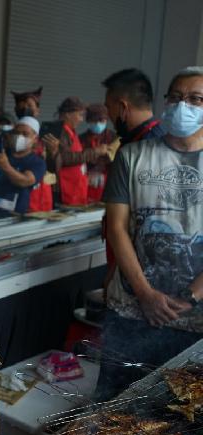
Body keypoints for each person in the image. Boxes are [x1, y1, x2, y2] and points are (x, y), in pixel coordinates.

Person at [97, 66, 203, 400]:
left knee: (176, 421)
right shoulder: (132, 156)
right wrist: (145, 293)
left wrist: (190, 297)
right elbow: (116, 228)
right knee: (110, 406)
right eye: (176, 96)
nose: (182, 105)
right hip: (129, 310)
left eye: (195, 98)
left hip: (192, 321)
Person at [101, 68, 165, 292]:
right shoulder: (141, 141)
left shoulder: (145, 150)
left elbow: (144, 221)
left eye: (109, 108)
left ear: (123, 107)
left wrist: (116, 272)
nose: (109, 117)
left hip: (139, 274)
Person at [43, 96, 109, 206]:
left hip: (75, 189)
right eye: (79, 115)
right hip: (64, 191)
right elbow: (65, 158)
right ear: (68, 114)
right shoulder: (59, 132)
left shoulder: (71, 131)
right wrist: (95, 152)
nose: (81, 119)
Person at [11, 87, 53, 212]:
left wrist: (54, 153)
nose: (25, 108)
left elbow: (53, 167)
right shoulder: (11, 135)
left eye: (29, 105)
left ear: (38, 110)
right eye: (21, 105)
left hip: (42, 189)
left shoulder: (47, 135)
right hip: (21, 190)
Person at [103, 68, 164, 146]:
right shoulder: (159, 136)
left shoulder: (144, 148)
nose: (108, 115)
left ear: (123, 108)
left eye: (108, 107)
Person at [79, 104, 118, 203]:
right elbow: (77, 159)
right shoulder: (81, 139)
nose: (98, 124)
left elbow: (117, 161)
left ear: (106, 120)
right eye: (94, 121)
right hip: (86, 184)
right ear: (88, 121)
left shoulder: (114, 138)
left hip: (108, 185)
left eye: (101, 121)